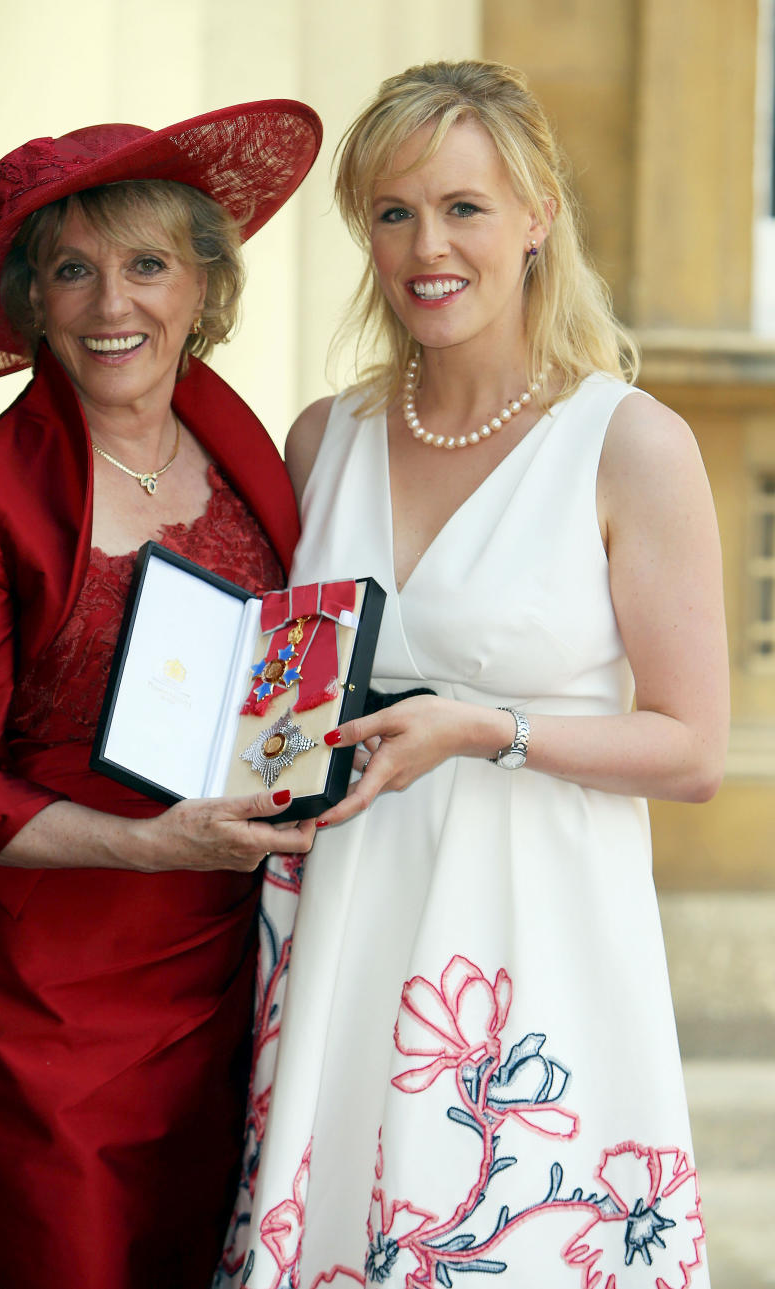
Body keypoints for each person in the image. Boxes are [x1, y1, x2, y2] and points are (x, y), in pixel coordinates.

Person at [217, 61, 726, 1289]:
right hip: (344, 933)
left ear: (538, 215)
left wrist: (479, 728)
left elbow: (695, 747)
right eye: (393, 213)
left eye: (465, 207)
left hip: (531, 954)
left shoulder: (632, 444)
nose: (426, 246)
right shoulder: (320, 437)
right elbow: (287, 705)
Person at [0, 102, 321, 1289]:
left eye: (146, 264)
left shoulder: (248, 450)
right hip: (48, 1013)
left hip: (235, 981)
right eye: (73, 269)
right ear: (32, 301)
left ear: (203, 286)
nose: (113, 304)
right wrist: (144, 842)